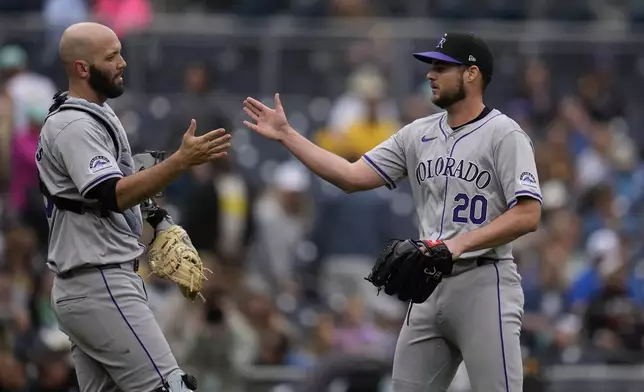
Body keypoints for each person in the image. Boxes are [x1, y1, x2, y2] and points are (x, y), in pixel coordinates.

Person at [243, 32, 542, 392]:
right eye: (431, 66)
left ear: (471, 74)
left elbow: (528, 214)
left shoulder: (504, 134)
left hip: (485, 280)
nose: (430, 74)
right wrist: (288, 135)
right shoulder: (417, 134)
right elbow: (351, 176)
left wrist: (460, 244)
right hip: (429, 282)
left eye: (441, 67)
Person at [35, 22, 232, 392]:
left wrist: (158, 220)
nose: (123, 62)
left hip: (88, 282)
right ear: (82, 68)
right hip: (100, 280)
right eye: (111, 57)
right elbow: (111, 193)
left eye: (120, 52)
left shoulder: (95, 113)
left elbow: (117, 187)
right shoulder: (74, 125)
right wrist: (180, 162)